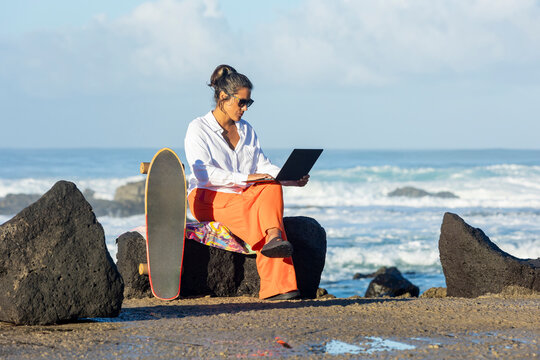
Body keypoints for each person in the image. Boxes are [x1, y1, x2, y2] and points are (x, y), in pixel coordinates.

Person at [184, 64, 309, 301]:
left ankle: (274, 238)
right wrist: (246, 178)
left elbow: (262, 165)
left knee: (271, 186)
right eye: (241, 102)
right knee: (261, 216)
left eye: (248, 103)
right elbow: (203, 173)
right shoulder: (198, 128)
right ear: (223, 97)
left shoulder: (247, 130)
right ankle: (278, 286)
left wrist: (289, 177)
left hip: (241, 196)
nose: (244, 108)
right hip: (207, 197)